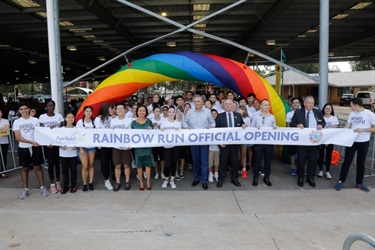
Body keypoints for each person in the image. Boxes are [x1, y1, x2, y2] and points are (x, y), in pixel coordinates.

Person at [336, 97, 375, 192]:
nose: (350, 107)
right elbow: (347, 126)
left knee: (361, 163)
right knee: (347, 161)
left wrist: (364, 130)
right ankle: (341, 181)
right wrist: (339, 132)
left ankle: (359, 182)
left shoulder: (369, 114)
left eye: (351, 105)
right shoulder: (352, 114)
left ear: (356, 105)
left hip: (364, 142)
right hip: (352, 141)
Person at [13, 103, 49, 199]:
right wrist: (30, 141)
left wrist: (47, 140)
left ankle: (42, 187)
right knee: (25, 168)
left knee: (38, 167)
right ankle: (25, 189)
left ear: (29, 109)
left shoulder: (35, 120)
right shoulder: (17, 122)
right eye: (21, 109)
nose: (24, 111)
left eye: (25, 108)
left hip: (35, 147)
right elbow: (17, 137)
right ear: (19, 111)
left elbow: (42, 132)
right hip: (24, 148)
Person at [290, 96, 325, 188]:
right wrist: (297, 125)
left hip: (314, 141)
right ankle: (300, 177)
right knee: (301, 160)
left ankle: (311, 178)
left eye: (312, 103)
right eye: (309, 103)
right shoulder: (298, 112)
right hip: (302, 141)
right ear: (305, 103)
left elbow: (323, 122)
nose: (311, 105)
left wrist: (321, 125)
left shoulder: (318, 112)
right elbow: (291, 124)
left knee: (313, 160)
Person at [183, 95, 215, 190]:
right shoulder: (190, 112)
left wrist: (211, 127)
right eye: (195, 101)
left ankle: (204, 181)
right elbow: (184, 122)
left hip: (204, 140)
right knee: (195, 160)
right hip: (193, 140)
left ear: (202, 102)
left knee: (204, 161)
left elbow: (213, 123)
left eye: (198, 101)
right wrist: (186, 127)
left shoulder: (208, 112)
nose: (196, 103)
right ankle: (196, 178)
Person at [216, 99, 245, 188]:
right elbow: (217, 131)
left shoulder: (238, 115)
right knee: (223, 163)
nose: (228, 105)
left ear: (233, 105)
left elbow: (242, 125)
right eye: (226, 104)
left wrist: (244, 125)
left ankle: (234, 179)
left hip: (235, 145)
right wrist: (219, 142)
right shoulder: (220, 116)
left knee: (235, 162)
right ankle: (220, 180)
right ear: (223, 106)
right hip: (224, 144)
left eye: (230, 104)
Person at [39, 100, 64, 193]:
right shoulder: (42, 117)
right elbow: (42, 131)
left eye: (52, 105)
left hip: (57, 143)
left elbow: (63, 129)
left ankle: (58, 182)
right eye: (49, 106)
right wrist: (46, 142)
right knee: (50, 164)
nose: (51, 107)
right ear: (46, 107)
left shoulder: (59, 116)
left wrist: (56, 129)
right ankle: (52, 183)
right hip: (48, 144)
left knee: (57, 163)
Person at [252, 99, 278, 187]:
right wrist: (255, 128)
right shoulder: (255, 116)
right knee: (257, 161)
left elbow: (275, 127)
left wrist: (275, 127)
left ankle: (266, 177)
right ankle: (255, 178)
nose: (267, 106)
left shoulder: (272, 117)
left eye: (268, 105)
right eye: (265, 105)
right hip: (258, 142)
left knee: (268, 161)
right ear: (261, 106)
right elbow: (250, 129)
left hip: (268, 143)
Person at [110, 103, 133, 191]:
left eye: (121, 108)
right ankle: (118, 182)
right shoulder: (113, 121)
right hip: (116, 146)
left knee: (126, 165)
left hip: (126, 146)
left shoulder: (129, 120)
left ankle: (127, 182)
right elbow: (110, 134)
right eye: (118, 108)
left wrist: (131, 144)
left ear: (125, 110)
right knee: (117, 165)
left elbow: (132, 134)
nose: (120, 110)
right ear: (116, 110)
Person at [131, 105, 154, 190]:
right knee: (139, 165)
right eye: (140, 110)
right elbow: (130, 135)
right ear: (137, 112)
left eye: (143, 110)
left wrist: (151, 130)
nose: (142, 112)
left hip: (147, 147)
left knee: (148, 164)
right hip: (138, 148)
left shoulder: (149, 122)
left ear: (146, 112)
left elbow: (154, 134)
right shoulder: (133, 123)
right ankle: (141, 181)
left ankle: (148, 181)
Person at [94, 103, 114, 191]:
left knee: (112, 161)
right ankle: (106, 180)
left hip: (111, 144)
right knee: (104, 162)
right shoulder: (98, 119)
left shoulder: (111, 118)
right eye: (110, 109)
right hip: (102, 145)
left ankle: (111, 176)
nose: (112, 110)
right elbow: (98, 132)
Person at [76, 106, 96, 192]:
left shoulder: (94, 122)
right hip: (83, 147)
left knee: (91, 164)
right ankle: (85, 183)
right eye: (87, 111)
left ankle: (90, 182)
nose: (88, 113)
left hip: (92, 147)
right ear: (84, 112)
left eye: (90, 111)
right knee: (85, 165)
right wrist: (80, 148)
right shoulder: (80, 123)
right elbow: (78, 135)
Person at [160, 107, 181, 189]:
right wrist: (161, 130)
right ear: (167, 113)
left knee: (174, 163)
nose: (171, 114)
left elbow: (182, 135)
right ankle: (166, 179)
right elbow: (160, 134)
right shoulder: (164, 123)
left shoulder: (178, 123)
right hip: (166, 146)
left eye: (173, 112)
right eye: (170, 112)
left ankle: (172, 180)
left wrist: (178, 130)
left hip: (176, 146)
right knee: (167, 164)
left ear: (175, 113)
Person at [317, 103, 339, 179]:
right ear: (323, 109)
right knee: (321, 155)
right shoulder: (320, 118)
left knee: (329, 156)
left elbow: (334, 130)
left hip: (330, 140)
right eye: (326, 108)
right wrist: (324, 140)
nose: (328, 110)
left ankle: (328, 171)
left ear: (332, 110)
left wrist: (328, 141)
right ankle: (320, 170)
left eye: (330, 108)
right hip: (321, 140)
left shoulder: (334, 118)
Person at [59, 112, 78, 194]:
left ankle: (73, 185)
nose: (70, 119)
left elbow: (81, 139)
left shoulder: (77, 129)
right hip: (63, 154)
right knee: (64, 171)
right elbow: (56, 140)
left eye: (72, 117)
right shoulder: (60, 129)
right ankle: (65, 186)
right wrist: (60, 146)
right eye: (69, 117)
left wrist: (77, 145)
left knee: (73, 170)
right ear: (65, 119)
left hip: (73, 153)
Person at [285, 97, 301, 176]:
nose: (295, 104)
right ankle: (292, 168)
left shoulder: (303, 113)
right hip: (292, 136)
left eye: (297, 102)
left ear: (299, 104)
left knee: (301, 153)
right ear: (291, 104)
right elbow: (288, 125)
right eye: (294, 102)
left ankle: (300, 169)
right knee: (293, 153)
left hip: (301, 136)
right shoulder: (289, 114)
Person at [238, 106, 252, 178]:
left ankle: (244, 169)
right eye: (239, 109)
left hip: (244, 139)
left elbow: (249, 129)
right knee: (238, 154)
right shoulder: (236, 117)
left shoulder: (248, 119)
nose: (241, 111)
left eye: (242, 109)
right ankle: (239, 167)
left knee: (243, 154)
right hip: (236, 139)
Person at [151, 106, 165, 180]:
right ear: (153, 112)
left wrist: (161, 127)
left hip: (162, 141)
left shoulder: (163, 120)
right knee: (155, 158)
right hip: (154, 142)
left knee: (162, 158)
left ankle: (162, 172)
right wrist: (152, 127)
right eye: (156, 111)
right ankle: (156, 172)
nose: (158, 113)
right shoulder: (150, 120)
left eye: (159, 111)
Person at [208, 109, 219, 182]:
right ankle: (210, 174)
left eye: (215, 113)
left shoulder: (220, 123)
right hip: (210, 146)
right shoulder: (208, 124)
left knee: (217, 161)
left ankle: (216, 173)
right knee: (210, 161)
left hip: (218, 146)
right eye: (212, 113)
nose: (214, 115)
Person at [0, 108, 10, 178]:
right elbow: (4, 130)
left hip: (4, 142)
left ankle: (3, 171)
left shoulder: (6, 121)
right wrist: (2, 129)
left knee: (3, 156)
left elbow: (6, 132)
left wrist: (3, 130)